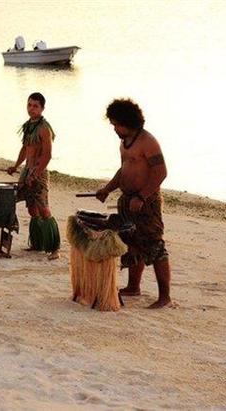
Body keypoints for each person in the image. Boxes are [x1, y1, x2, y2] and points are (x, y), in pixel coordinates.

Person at [95, 98, 172, 308]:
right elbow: (123, 171)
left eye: (115, 124)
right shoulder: (124, 142)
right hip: (128, 201)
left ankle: (165, 297)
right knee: (132, 243)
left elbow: (160, 172)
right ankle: (133, 286)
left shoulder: (148, 141)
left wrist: (142, 196)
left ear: (126, 121)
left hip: (146, 202)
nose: (114, 128)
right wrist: (107, 189)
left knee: (155, 246)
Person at [7, 92, 60, 260]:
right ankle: (37, 243)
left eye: (35, 106)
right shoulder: (28, 125)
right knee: (31, 209)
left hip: (39, 172)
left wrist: (35, 173)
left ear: (42, 108)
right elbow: (25, 149)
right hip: (26, 170)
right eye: (29, 105)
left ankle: (54, 248)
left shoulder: (45, 128)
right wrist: (15, 166)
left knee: (43, 208)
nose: (31, 109)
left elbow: (47, 155)